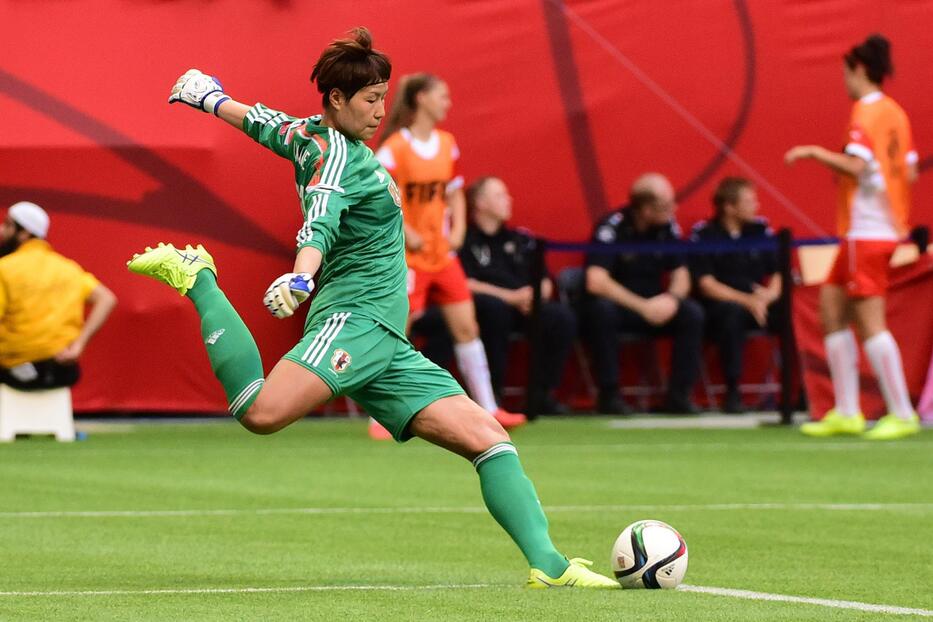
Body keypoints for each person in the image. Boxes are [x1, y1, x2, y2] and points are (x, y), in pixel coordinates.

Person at [128, 28, 616, 588]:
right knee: (261, 414)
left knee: (488, 439)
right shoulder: (339, 158)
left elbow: (265, 123)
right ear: (336, 99)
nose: (381, 111)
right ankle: (200, 280)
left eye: (384, 96)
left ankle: (550, 567)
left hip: (385, 340)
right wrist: (303, 275)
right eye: (370, 99)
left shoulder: (310, 135)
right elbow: (321, 216)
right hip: (353, 320)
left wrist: (211, 99)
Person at [374, 73, 526, 437]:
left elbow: (455, 191)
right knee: (398, 330)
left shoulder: (447, 143)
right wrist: (405, 229)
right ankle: (380, 414)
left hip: (441, 255)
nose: (448, 102)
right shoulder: (395, 148)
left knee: (467, 327)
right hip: (408, 258)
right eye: (443, 96)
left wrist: (457, 229)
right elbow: (377, 191)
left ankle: (489, 408)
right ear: (422, 98)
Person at [786, 33, 920, 440]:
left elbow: (858, 167)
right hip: (867, 231)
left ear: (859, 69)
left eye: (845, 73)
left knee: (870, 321)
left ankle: (901, 411)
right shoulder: (897, 113)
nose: (844, 81)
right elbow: (908, 170)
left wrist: (811, 152)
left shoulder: (866, 111)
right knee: (830, 308)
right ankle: (846, 410)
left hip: (868, 232)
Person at [584, 173, 704, 415]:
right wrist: (641, 306)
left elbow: (681, 275)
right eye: (666, 206)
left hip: (657, 305)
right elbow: (595, 281)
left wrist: (672, 299)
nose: (674, 210)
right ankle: (609, 395)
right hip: (623, 305)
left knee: (691, 313)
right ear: (646, 209)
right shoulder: (612, 227)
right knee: (601, 312)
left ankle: (678, 396)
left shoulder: (667, 228)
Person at [459, 176, 577, 414]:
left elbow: (544, 279)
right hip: (488, 308)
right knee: (494, 311)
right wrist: (508, 297)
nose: (508, 200)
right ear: (480, 203)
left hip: (525, 306)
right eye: (500, 195)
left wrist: (533, 296)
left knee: (560, 317)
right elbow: (463, 283)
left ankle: (542, 393)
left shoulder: (521, 238)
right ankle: (492, 394)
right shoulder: (465, 240)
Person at [689, 177, 782, 413]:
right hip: (722, 305)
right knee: (732, 315)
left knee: (790, 312)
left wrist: (766, 297)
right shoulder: (705, 235)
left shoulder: (760, 230)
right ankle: (733, 391)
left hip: (759, 302)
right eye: (750, 201)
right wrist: (747, 301)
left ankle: (802, 391)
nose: (756, 206)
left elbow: (779, 273)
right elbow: (707, 284)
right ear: (729, 207)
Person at [0, 202, 117, 390]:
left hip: (16, 370)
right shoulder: (68, 269)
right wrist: (79, 345)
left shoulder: (5, 269)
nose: (1, 230)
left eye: (7, 225)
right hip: (63, 370)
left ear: (24, 233)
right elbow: (107, 298)